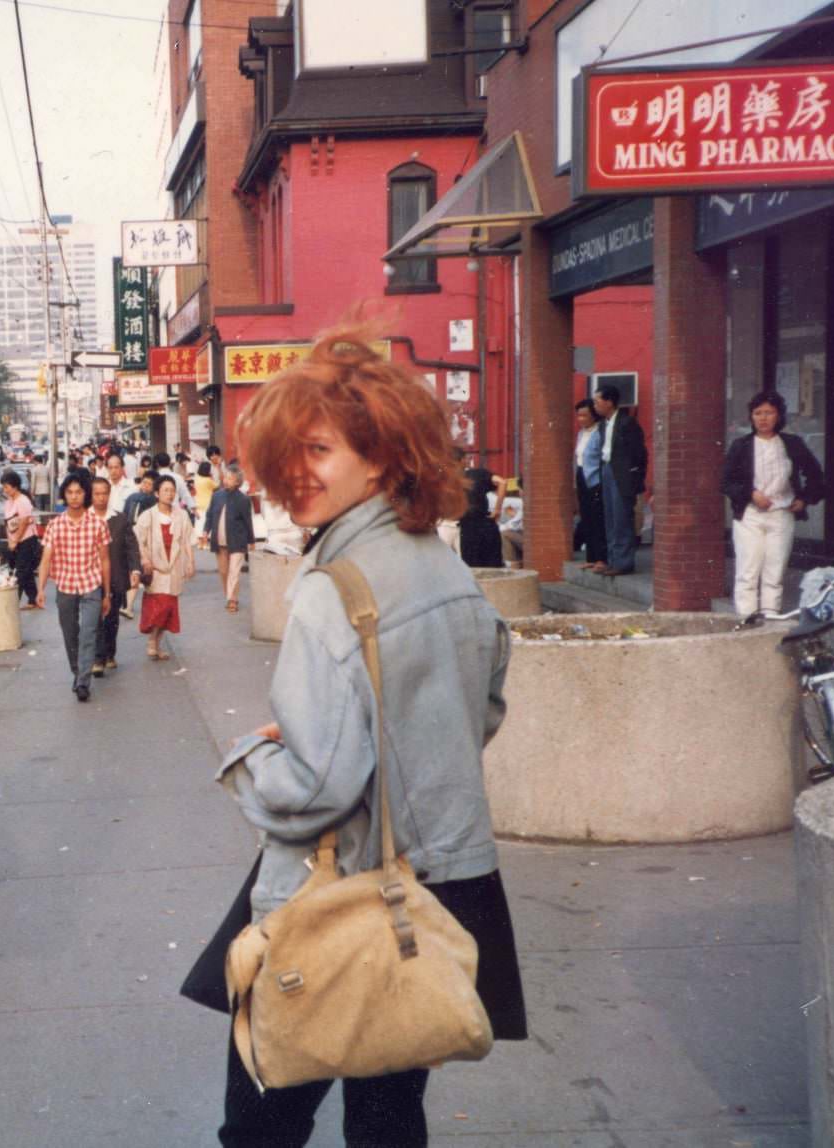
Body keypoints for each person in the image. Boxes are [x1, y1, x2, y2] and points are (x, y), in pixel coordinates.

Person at [206, 325, 526, 1145]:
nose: (295, 474)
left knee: (263, 1112)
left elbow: (315, 789)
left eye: (318, 450)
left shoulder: (331, 591)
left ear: (382, 456)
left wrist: (255, 755)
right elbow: (482, 705)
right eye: (288, 454)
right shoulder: (446, 566)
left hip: (336, 897)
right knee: (388, 1113)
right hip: (435, 890)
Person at [721, 390, 826, 617]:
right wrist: (751, 493)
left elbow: (817, 476)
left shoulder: (793, 443)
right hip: (750, 516)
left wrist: (804, 499)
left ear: (779, 416)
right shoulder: (741, 445)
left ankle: (770, 622)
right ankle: (746, 621)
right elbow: (726, 481)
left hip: (782, 515)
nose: (763, 418)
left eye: (769, 412)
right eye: (758, 413)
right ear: (751, 417)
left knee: (774, 573)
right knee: (747, 573)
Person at [38, 473, 112, 702]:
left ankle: (83, 682)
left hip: (92, 585)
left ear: (85, 495)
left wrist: (107, 593)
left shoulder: (98, 524)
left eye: (79, 492)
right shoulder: (55, 525)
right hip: (66, 586)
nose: (74, 497)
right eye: (69, 492)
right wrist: (40, 589)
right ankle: (77, 672)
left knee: (88, 633)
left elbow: (105, 560)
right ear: (64, 496)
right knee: (70, 634)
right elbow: (46, 559)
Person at [135, 474, 195, 661]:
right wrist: (145, 560)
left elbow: (186, 541)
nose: (169, 494)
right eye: (165, 490)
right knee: (159, 607)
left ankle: (156, 642)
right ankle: (153, 641)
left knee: (169, 608)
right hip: (156, 569)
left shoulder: (181, 515)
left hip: (174, 568)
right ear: (157, 493)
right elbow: (139, 542)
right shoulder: (148, 516)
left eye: (172, 491)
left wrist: (190, 562)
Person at [592, 383, 647, 576]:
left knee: (622, 517)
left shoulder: (627, 423)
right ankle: (613, 560)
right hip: (607, 470)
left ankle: (623, 562)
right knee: (610, 518)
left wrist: (635, 480)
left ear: (609, 402)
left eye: (597, 401)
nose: (595, 406)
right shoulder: (602, 425)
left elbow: (639, 454)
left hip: (623, 474)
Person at [91, 476, 141, 675]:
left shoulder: (120, 519)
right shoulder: (85, 519)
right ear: (91, 495)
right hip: (90, 578)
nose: (101, 498)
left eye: (104, 493)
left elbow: (131, 546)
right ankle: (98, 658)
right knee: (94, 618)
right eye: (97, 494)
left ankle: (109, 652)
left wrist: (135, 569)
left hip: (115, 577)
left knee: (111, 618)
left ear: (109, 494)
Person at [205, 464, 254, 613]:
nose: (226, 480)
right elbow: (209, 515)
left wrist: (251, 541)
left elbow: (248, 521)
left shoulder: (243, 499)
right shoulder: (217, 495)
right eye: (225, 477)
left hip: (237, 540)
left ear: (238, 482)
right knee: (224, 571)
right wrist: (205, 531)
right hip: (219, 540)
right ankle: (229, 595)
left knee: (234, 571)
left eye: (230, 478)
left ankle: (232, 599)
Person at [1, 469, 44, 610]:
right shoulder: (8, 502)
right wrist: (10, 541)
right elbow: (7, 522)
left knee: (20, 572)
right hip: (15, 541)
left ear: (14, 486)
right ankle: (33, 599)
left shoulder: (23, 501)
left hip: (26, 540)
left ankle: (13, 602)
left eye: (6, 487)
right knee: (25, 572)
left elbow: (24, 522)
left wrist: (16, 540)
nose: (5, 490)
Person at [573, 399, 607, 570]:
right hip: (582, 476)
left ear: (594, 415)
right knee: (586, 518)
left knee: (598, 519)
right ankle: (591, 557)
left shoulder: (600, 433)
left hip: (596, 479)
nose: (580, 419)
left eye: (584, 415)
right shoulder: (581, 433)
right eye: (578, 415)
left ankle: (602, 558)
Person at [457, 457, 505, 569]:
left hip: (467, 528)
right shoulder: (478, 473)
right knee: (493, 568)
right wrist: (497, 509)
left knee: (473, 569)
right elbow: (502, 482)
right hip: (487, 524)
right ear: (463, 460)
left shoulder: (449, 480)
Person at [193, 461, 218, 549]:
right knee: (206, 524)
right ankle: (205, 543)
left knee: (199, 524)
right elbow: (217, 486)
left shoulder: (196, 478)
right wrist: (212, 477)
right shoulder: (208, 481)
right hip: (208, 503)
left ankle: (200, 543)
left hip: (198, 504)